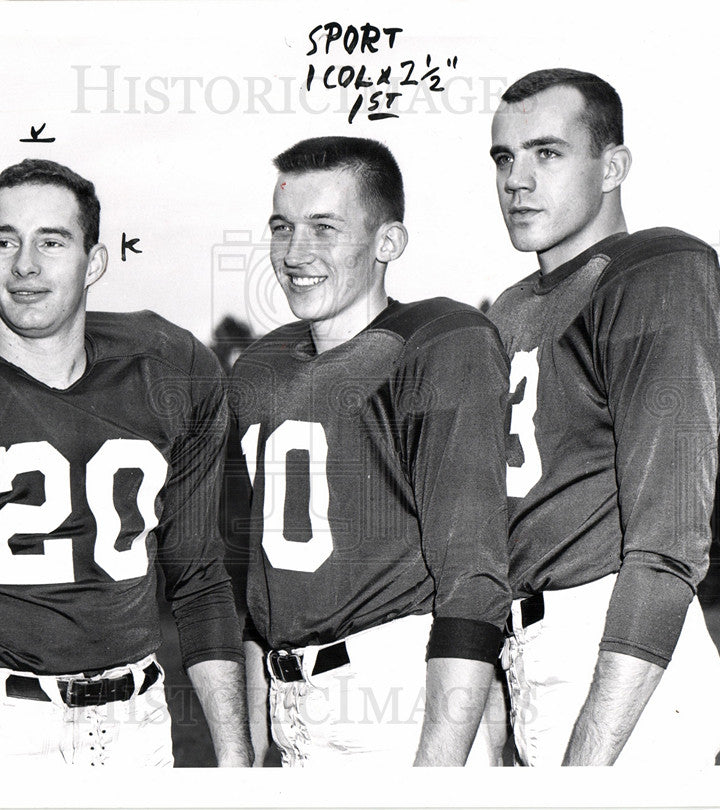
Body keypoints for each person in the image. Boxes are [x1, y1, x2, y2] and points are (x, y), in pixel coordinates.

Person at [0, 158, 252, 769]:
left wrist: (236, 759)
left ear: (94, 262)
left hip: (140, 722)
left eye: (51, 242)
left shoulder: (171, 371)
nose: (25, 265)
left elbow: (198, 577)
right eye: (4, 241)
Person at [230, 136, 511, 767]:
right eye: (282, 228)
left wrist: (434, 775)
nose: (295, 253)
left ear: (388, 243)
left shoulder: (439, 342)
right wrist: (247, 755)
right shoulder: (260, 368)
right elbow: (252, 591)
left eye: (324, 229)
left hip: (399, 699)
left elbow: (473, 581)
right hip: (292, 707)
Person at [486, 68, 720, 766]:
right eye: (505, 158)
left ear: (612, 166)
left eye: (547, 153)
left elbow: (669, 543)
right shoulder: (512, 306)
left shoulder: (653, 270)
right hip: (530, 652)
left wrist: (589, 762)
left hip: (619, 657)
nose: (517, 180)